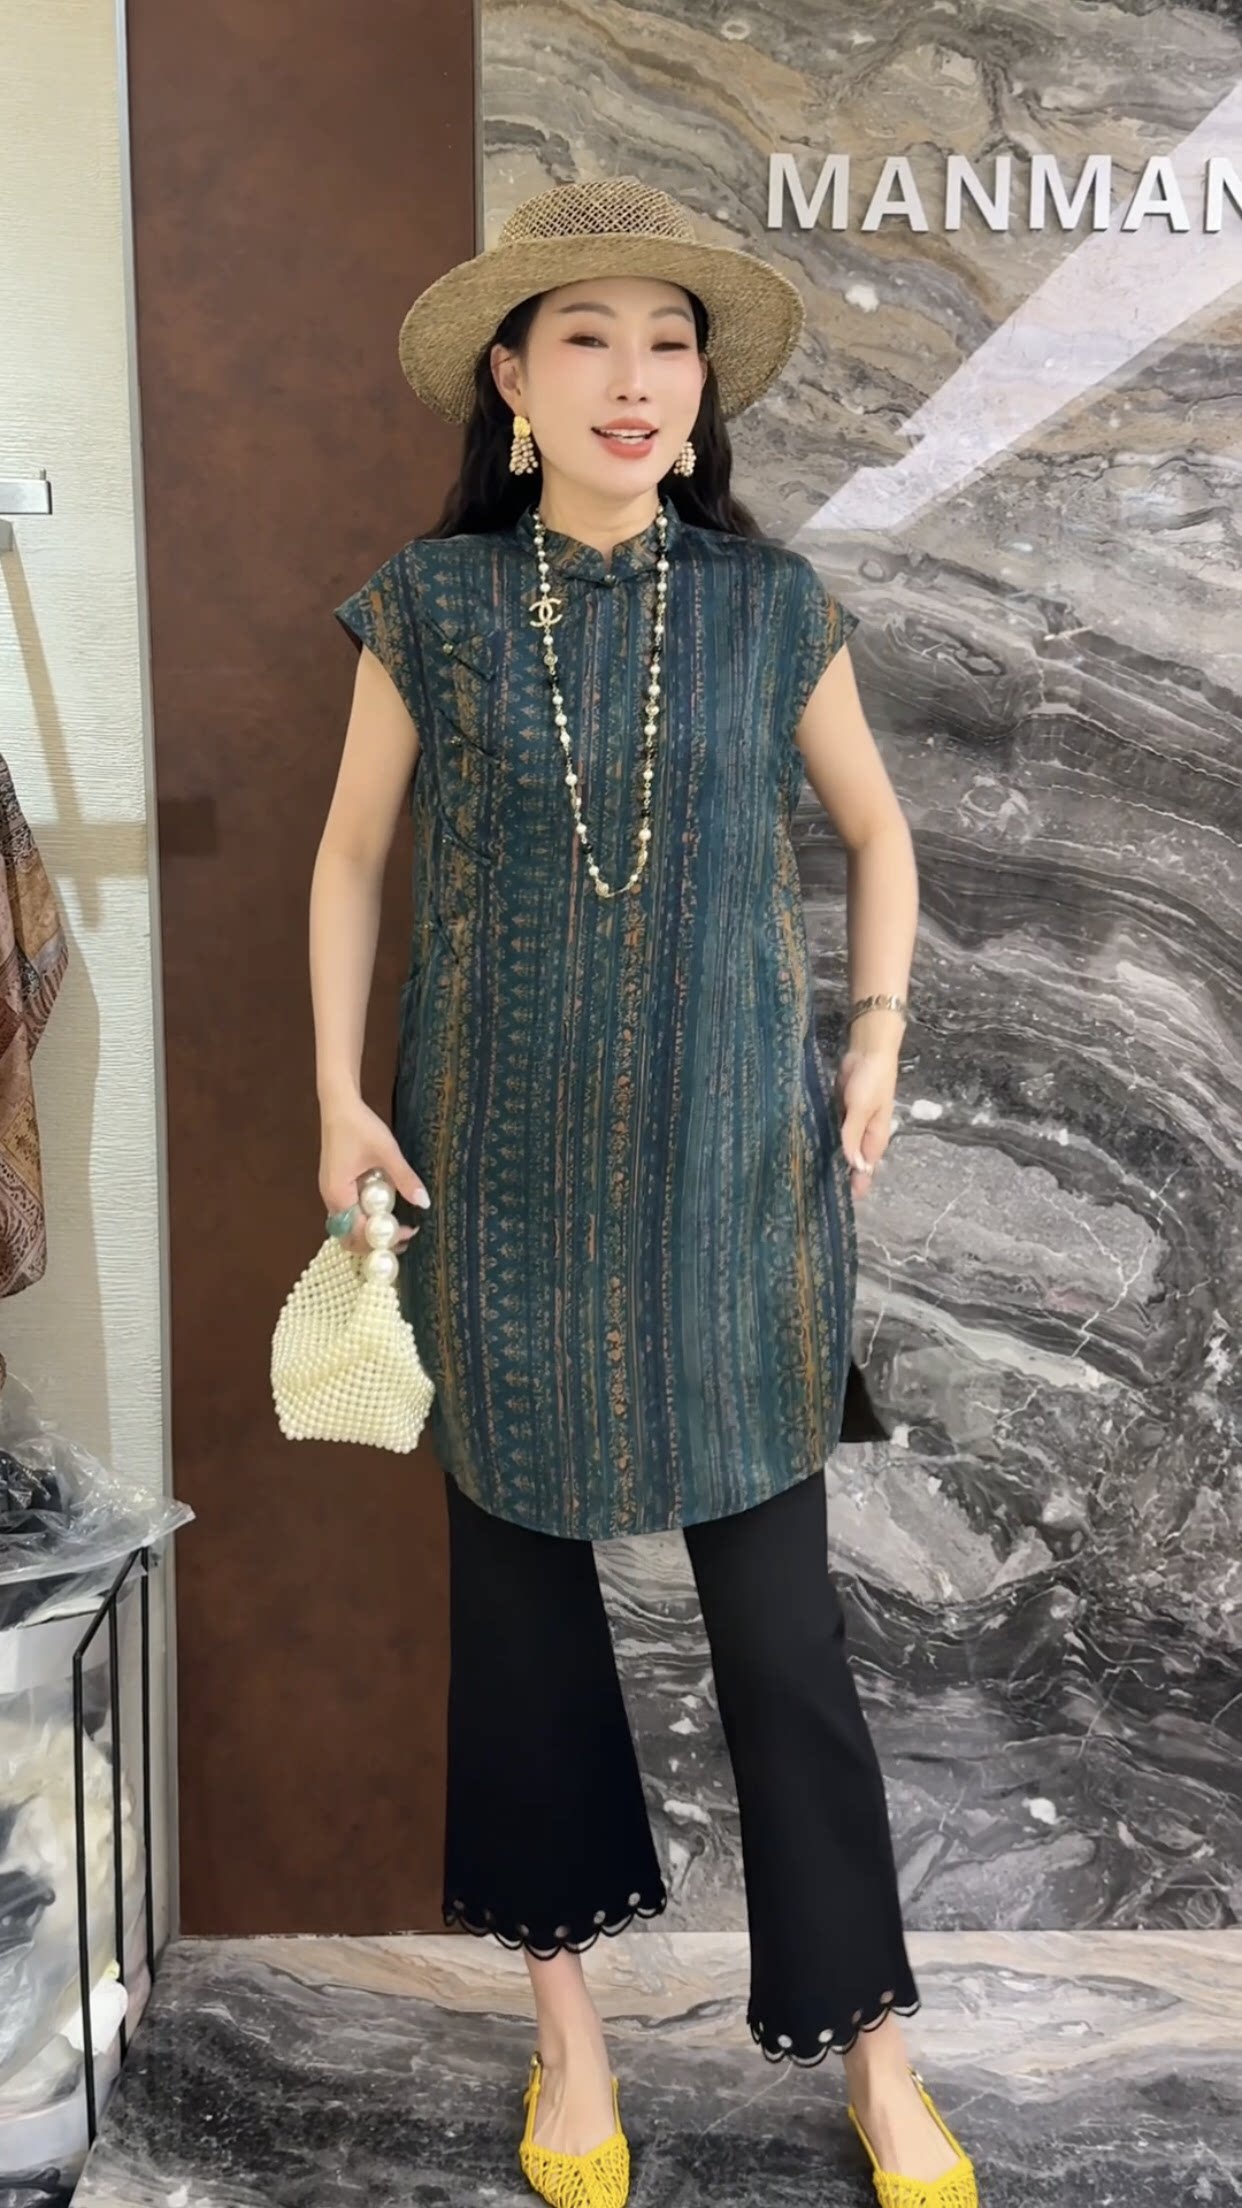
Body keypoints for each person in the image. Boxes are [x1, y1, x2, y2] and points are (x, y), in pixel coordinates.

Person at [309, 177, 978, 2208]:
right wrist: (333, 1101)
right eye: (584, 338)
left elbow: (880, 834)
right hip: (494, 1181)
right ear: (511, 383)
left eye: (666, 342)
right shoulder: (427, 606)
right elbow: (349, 858)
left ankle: (873, 2050)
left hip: (732, 1194)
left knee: (784, 1645)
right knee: (521, 1635)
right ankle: (569, 2039)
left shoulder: (773, 608)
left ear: (702, 390)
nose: (632, 377)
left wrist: (873, 1036)